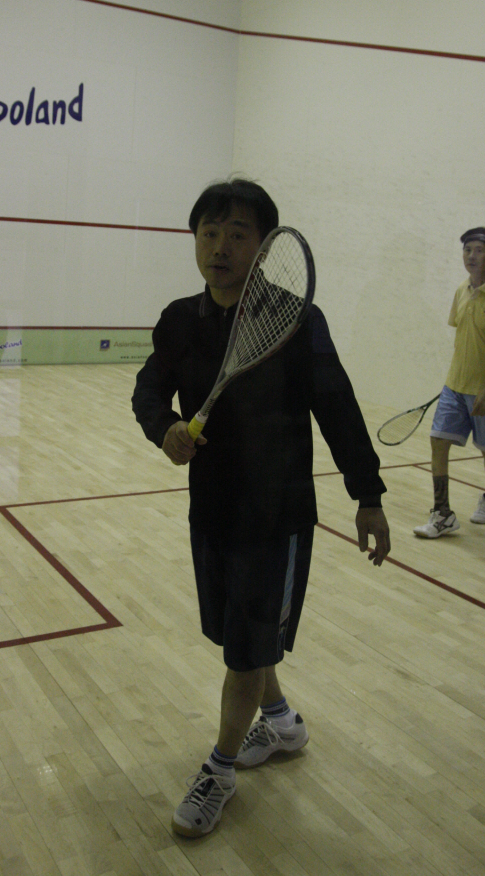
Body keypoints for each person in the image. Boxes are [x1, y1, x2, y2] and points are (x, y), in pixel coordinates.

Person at [132, 178, 390, 838]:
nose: (219, 246)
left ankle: (219, 770)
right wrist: (164, 427)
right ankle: (279, 722)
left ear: (265, 244)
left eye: (237, 234)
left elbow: (338, 407)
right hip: (211, 509)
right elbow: (148, 388)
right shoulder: (179, 319)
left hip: (277, 517)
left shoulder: (299, 321)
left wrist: (368, 495)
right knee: (239, 635)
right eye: (209, 232)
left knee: (244, 650)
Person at [413, 227, 485, 539]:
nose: (471, 256)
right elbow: (463, 338)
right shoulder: (461, 290)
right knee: (438, 441)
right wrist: (455, 379)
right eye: (467, 250)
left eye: (479, 250)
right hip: (455, 386)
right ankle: (442, 513)